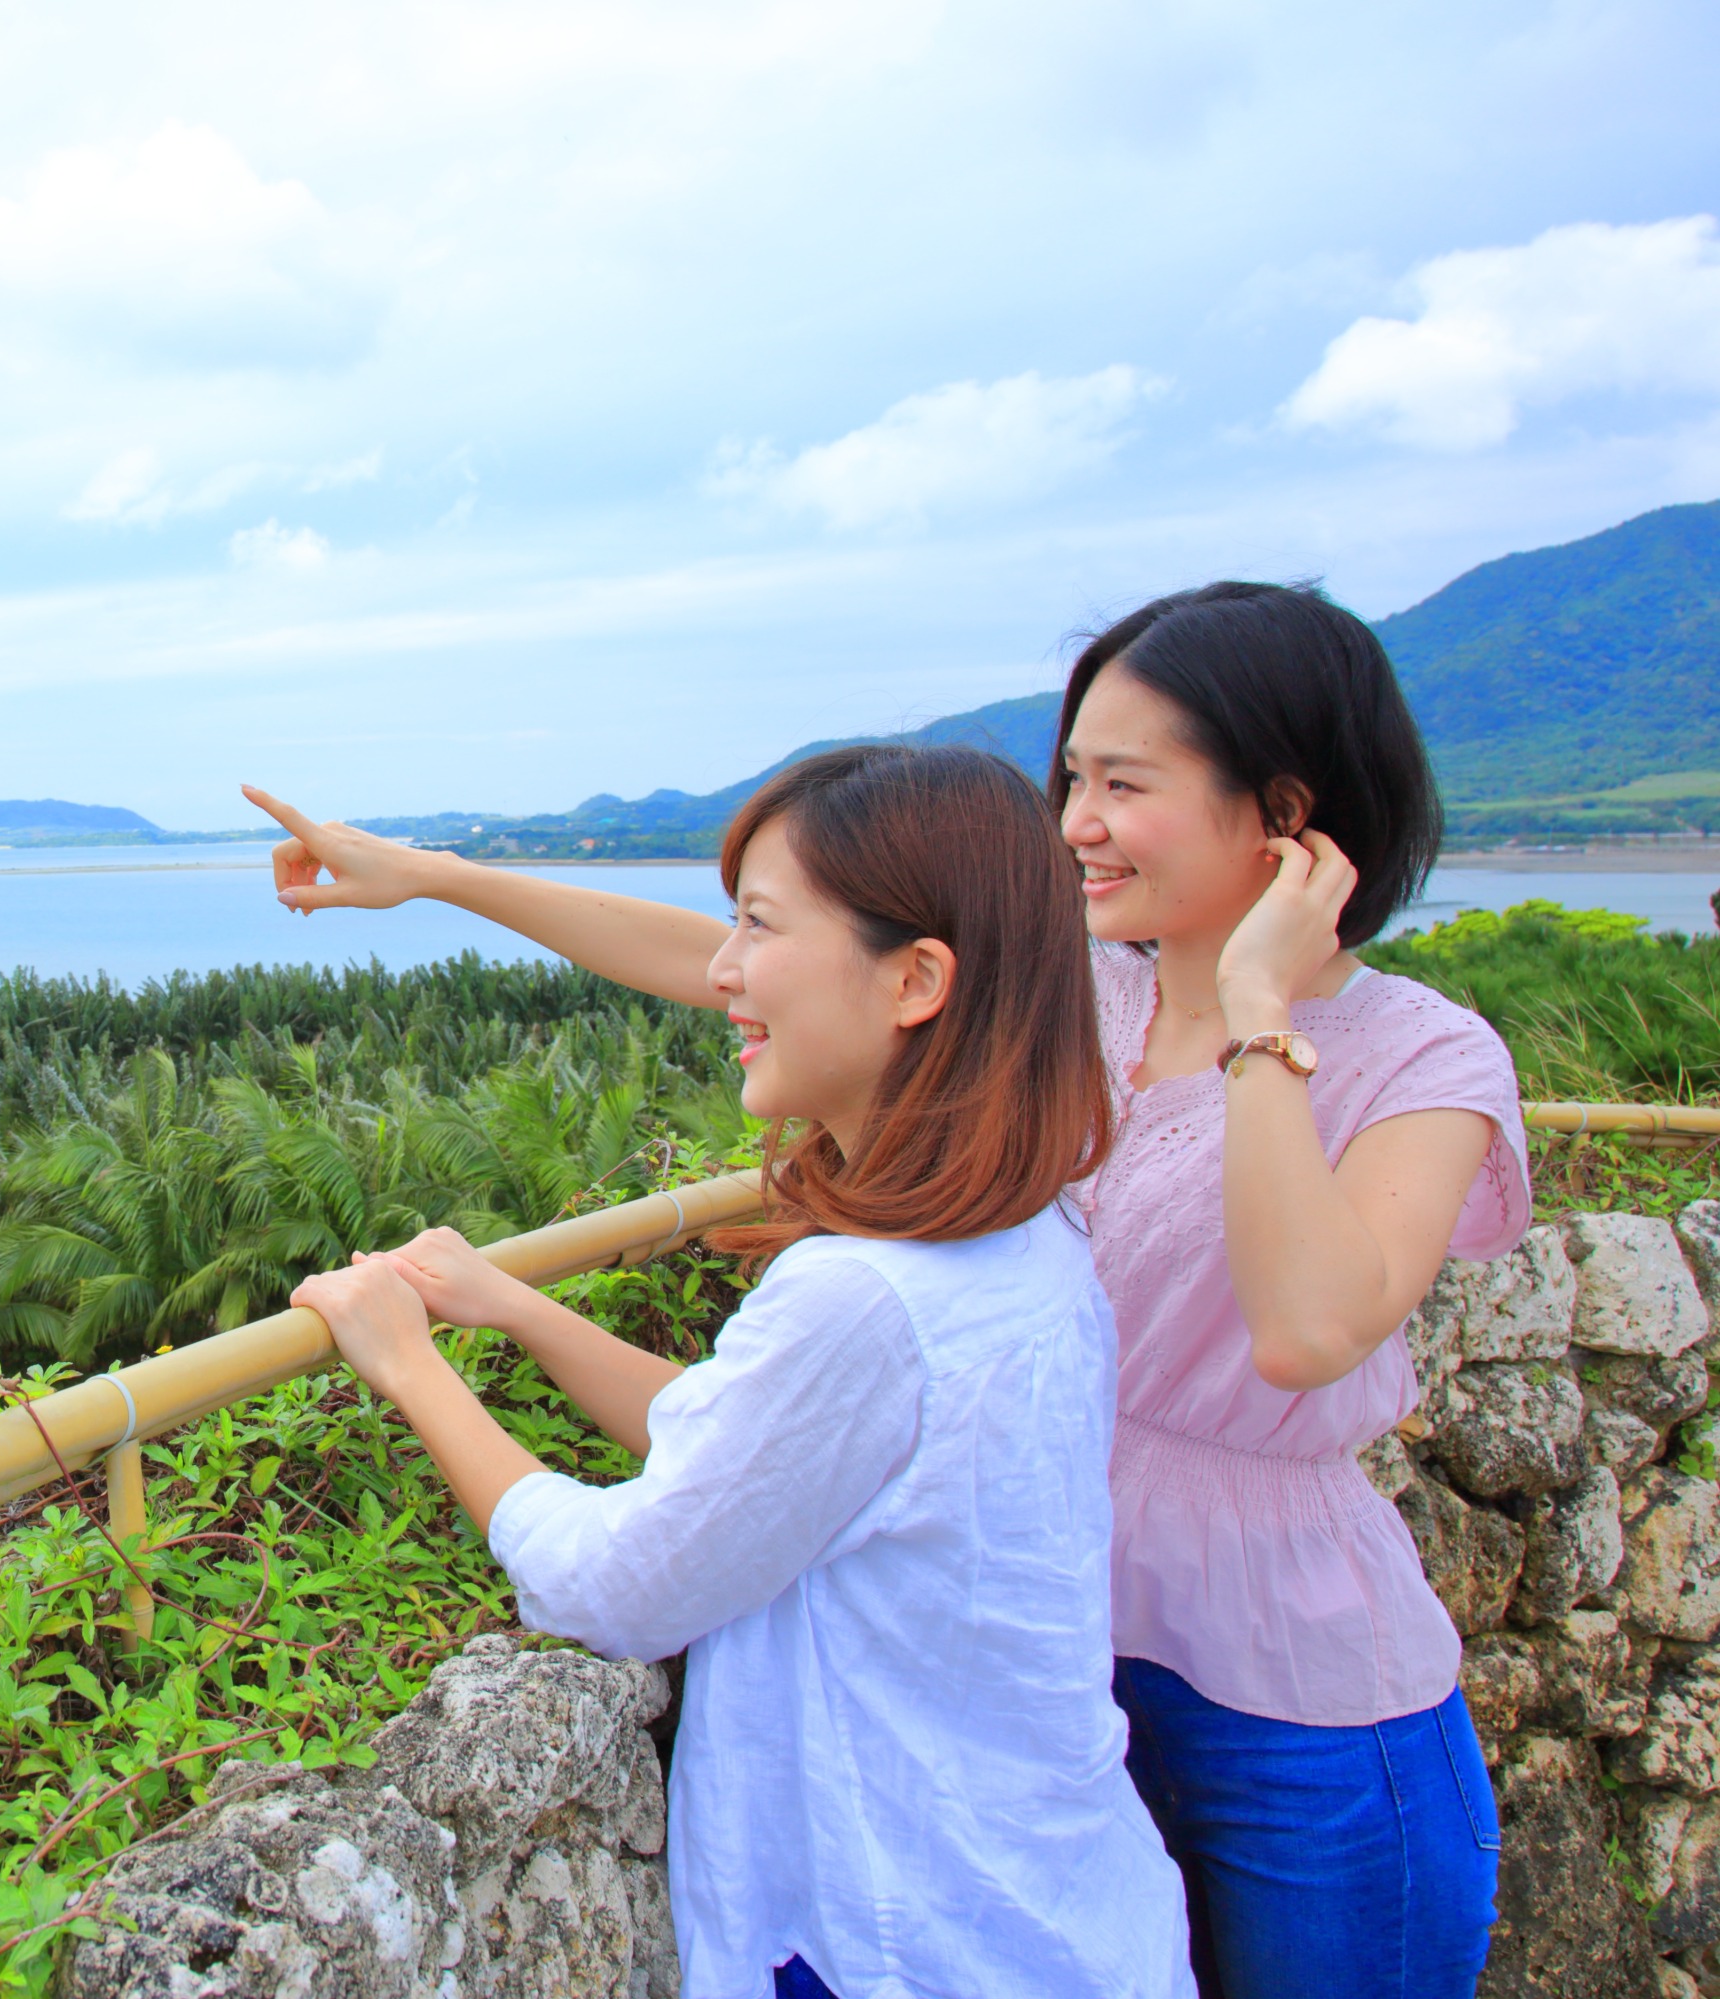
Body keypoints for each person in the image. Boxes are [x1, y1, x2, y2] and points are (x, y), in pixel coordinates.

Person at [251, 579, 1525, 1998]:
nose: (1077, 821)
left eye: (1123, 782)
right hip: (1039, 1652)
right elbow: (767, 962)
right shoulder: (1074, 989)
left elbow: (1307, 1327)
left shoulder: (1422, 1058)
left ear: (1283, 814)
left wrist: (1261, 1018)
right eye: (1068, 779)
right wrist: (434, 874)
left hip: (1286, 1692)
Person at [289, 744, 1193, 1999]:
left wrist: (410, 1366)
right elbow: (758, 1458)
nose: (720, 972)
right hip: (1046, 1908)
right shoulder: (1023, 1236)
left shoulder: (869, 1292)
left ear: (919, 978)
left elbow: (611, 1584)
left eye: (757, 927)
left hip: (902, 1940)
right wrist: (517, 1310)